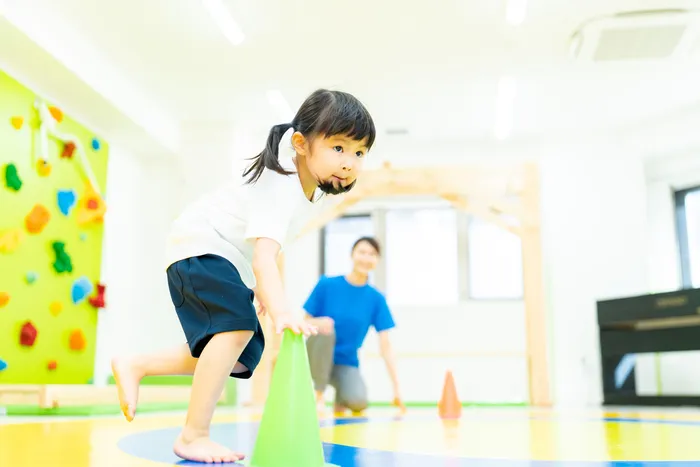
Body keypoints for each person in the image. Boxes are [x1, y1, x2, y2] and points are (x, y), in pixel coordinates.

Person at [110, 89, 376, 464]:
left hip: (224, 258)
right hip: (201, 244)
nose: (349, 162)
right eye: (338, 148)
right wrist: (281, 308)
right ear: (301, 143)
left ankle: (139, 365)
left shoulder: (305, 189)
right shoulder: (282, 185)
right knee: (233, 330)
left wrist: (269, 294)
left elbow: (272, 249)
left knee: (243, 352)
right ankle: (193, 435)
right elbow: (264, 256)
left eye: (359, 152)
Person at [304, 236, 405, 415]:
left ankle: (341, 397)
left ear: (377, 261)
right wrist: (319, 322)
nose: (366, 258)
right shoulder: (327, 284)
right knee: (327, 328)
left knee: (358, 401)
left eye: (372, 254)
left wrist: (397, 388)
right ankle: (318, 395)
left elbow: (386, 345)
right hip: (317, 356)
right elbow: (303, 322)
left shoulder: (376, 299)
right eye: (362, 252)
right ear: (352, 255)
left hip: (345, 362)